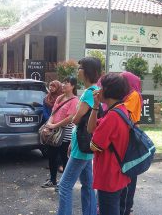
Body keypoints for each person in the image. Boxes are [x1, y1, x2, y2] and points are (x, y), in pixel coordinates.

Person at [57, 57, 101, 215]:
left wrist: (76, 116)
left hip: (81, 149)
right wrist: (71, 142)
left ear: (87, 72)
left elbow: (76, 119)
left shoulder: (89, 93)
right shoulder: (92, 91)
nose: (78, 71)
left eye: (80, 68)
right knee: (88, 185)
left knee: (64, 186)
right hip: (82, 145)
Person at [88, 73, 131, 215]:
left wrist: (96, 138)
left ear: (107, 90)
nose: (99, 90)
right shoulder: (120, 110)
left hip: (109, 178)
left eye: (101, 87)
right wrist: (95, 106)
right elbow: (91, 128)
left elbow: (94, 145)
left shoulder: (112, 117)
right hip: (120, 174)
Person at [41, 77, 79, 188]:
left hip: (65, 132)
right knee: (52, 156)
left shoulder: (75, 100)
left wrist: (54, 125)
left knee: (64, 158)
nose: (63, 85)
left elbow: (70, 118)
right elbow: (53, 113)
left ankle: (64, 183)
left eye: (66, 83)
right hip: (53, 131)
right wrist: (49, 125)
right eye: (63, 82)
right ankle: (53, 180)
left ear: (73, 86)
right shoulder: (59, 98)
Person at [120, 71, 143, 215]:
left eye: (122, 81)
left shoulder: (134, 95)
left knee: (130, 173)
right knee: (124, 172)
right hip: (125, 135)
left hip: (130, 136)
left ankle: (127, 207)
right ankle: (124, 205)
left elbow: (123, 112)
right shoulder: (127, 95)